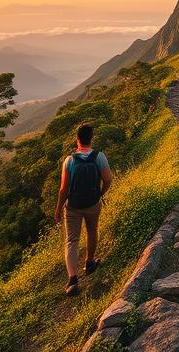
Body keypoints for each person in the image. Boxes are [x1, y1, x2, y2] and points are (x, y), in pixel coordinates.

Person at [54, 123, 113, 296]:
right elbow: (108, 179)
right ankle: (89, 263)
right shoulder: (99, 156)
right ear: (91, 139)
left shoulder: (69, 160)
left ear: (77, 139)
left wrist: (58, 208)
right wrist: (99, 194)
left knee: (72, 240)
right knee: (92, 231)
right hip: (93, 204)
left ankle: (72, 279)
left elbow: (63, 189)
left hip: (72, 207)